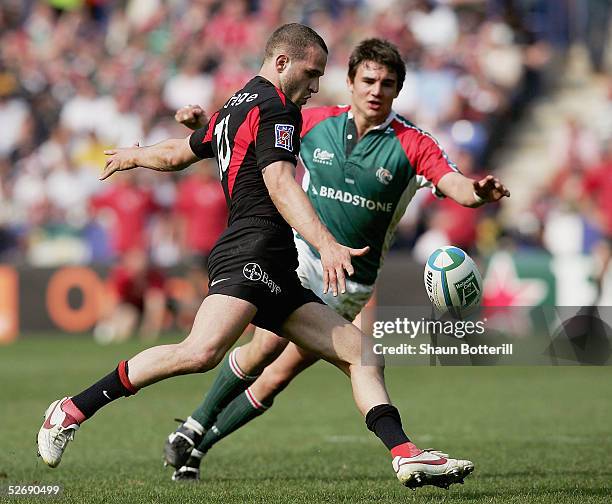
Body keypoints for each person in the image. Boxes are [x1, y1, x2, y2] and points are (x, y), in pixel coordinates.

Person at [36, 24, 475, 490]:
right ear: (282, 63)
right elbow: (281, 183)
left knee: (362, 354)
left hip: (275, 262)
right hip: (249, 250)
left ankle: (407, 456)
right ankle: (71, 409)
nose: (313, 87)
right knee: (200, 352)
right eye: (311, 74)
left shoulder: (238, 104)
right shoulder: (278, 110)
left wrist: (135, 154)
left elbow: (179, 154)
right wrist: (326, 243)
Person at [165, 38, 510, 482]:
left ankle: (194, 445)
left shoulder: (412, 144)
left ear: (397, 91)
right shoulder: (314, 122)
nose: (376, 90)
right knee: (263, 349)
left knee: (277, 376)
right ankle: (192, 429)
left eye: (387, 83)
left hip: (351, 284)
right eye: (367, 80)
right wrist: (205, 126)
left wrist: (476, 193)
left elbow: (455, 184)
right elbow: (251, 129)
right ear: (348, 83)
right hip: (301, 258)